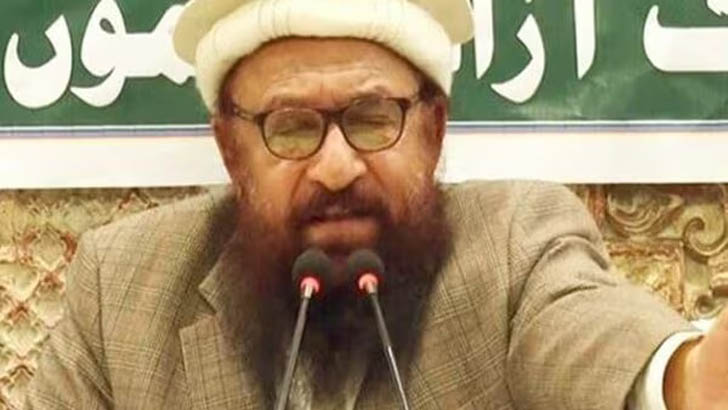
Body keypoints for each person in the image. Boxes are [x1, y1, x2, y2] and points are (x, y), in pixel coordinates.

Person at [24, 0, 728, 409]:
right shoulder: (124, 289)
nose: (336, 167)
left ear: (434, 130)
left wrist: (691, 379)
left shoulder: (515, 248)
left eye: (372, 117)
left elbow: (614, 353)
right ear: (232, 150)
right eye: (291, 127)